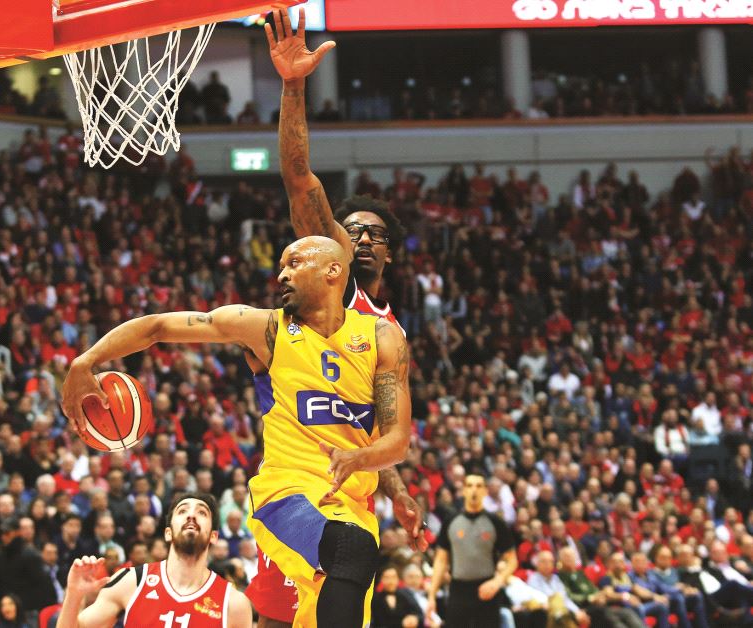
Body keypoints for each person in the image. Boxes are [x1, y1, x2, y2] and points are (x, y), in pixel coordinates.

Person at [61, 235, 413, 628]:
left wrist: (361, 458)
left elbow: (397, 442)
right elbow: (158, 326)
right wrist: (85, 361)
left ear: (333, 270)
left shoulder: (382, 336)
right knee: (351, 549)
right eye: (281, 266)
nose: (282, 275)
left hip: (352, 504)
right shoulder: (266, 329)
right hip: (286, 495)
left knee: (342, 576)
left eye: (295, 263)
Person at [258, 8, 426, 626]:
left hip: (347, 494)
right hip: (295, 479)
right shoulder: (334, 285)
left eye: (373, 233)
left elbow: (371, 428)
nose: (359, 238)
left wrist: (398, 491)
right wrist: (293, 85)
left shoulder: (386, 331)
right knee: (278, 615)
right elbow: (299, 176)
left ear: (389, 251)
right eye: (347, 230)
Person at [56, 492, 252, 627]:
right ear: (168, 533)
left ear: (214, 536)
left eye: (201, 512)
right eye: (182, 511)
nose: (191, 515)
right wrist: (74, 594)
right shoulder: (131, 581)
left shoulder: (233, 603)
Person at [425, 474, 518, 628]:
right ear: (463, 491)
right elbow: (440, 561)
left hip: (487, 589)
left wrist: (497, 582)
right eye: (469, 485)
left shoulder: (496, 522)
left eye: (478, 486)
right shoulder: (450, 521)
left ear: (485, 491)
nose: (474, 490)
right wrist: (431, 596)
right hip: (458, 590)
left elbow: (512, 560)